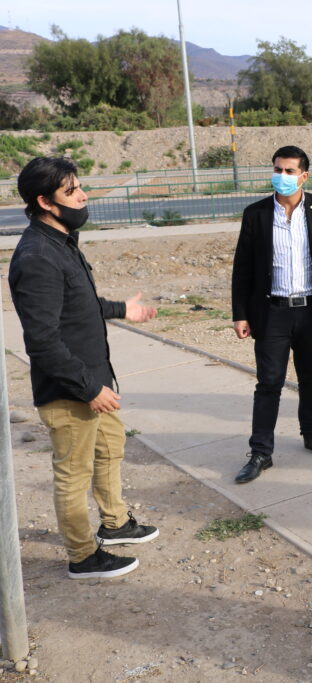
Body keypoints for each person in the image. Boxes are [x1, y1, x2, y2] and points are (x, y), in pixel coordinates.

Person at [9, 157, 159, 580]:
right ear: (45, 202)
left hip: (95, 381)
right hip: (71, 391)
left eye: (79, 186)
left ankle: (115, 525)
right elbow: (42, 341)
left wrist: (121, 309)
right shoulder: (37, 255)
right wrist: (88, 388)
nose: (83, 195)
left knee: (111, 449)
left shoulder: (62, 241)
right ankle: (82, 556)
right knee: (73, 474)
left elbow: (78, 306)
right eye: (71, 191)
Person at [232, 145, 312, 484]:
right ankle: (261, 452)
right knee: (269, 383)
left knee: (311, 378)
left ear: (304, 176)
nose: (282, 176)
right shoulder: (257, 214)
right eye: (278, 169)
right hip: (272, 313)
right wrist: (240, 314)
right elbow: (242, 269)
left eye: (290, 171)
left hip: (310, 311)